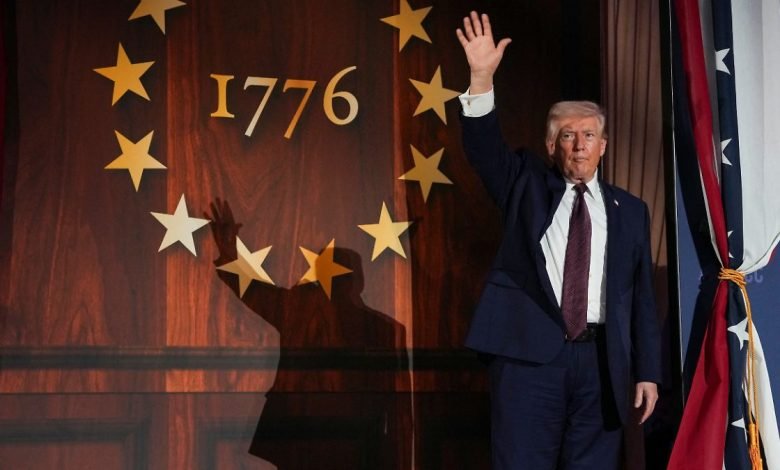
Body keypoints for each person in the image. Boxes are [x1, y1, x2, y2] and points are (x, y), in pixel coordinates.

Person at [455, 11, 662, 470]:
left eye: (589, 135)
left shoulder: (631, 211)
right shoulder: (524, 185)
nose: (579, 145)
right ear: (551, 146)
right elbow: (484, 150)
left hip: (602, 366)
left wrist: (648, 371)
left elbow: (642, 299)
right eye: (568, 136)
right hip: (529, 362)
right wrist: (481, 78)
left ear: (603, 146)